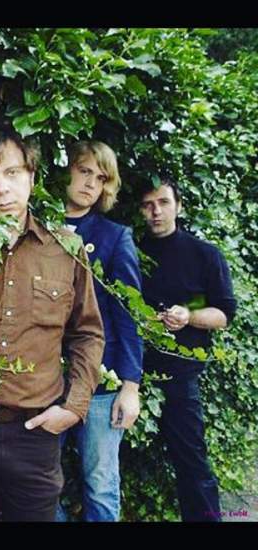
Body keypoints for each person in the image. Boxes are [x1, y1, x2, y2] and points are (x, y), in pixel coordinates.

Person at [0, 123, 104, 521]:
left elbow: (88, 333)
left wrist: (73, 407)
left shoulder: (65, 248)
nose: (2, 189)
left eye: (12, 173)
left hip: (35, 434)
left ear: (32, 177)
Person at [137, 178, 236, 522]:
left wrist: (189, 315)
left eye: (163, 202)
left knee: (192, 462)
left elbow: (224, 313)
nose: (156, 211)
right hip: (130, 371)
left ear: (179, 206)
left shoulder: (204, 255)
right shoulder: (131, 251)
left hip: (179, 374)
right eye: (148, 205)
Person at [55, 141, 143, 521]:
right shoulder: (36, 226)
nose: (92, 183)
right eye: (84, 171)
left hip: (101, 384)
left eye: (101, 177)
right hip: (43, 379)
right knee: (38, 481)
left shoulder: (114, 236)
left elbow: (128, 314)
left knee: (101, 483)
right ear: (67, 171)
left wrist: (131, 386)